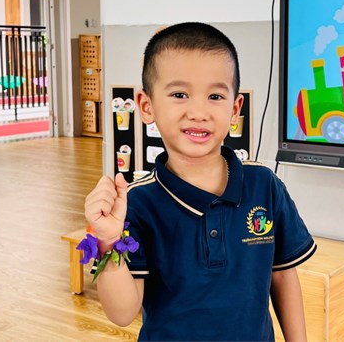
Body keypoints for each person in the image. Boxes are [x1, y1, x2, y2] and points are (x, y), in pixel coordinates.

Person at [84, 22, 316, 341]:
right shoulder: (135, 203)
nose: (198, 112)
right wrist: (108, 240)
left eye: (215, 96)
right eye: (179, 94)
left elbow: (284, 276)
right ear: (146, 106)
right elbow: (122, 313)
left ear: (235, 109)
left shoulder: (264, 185)